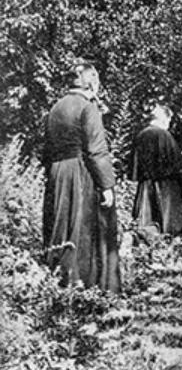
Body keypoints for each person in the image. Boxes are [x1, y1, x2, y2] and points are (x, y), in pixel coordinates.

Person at [42, 62, 121, 292]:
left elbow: (46, 150)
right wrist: (107, 184)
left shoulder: (55, 108)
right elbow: (96, 150)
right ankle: (85, 288)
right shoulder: (88, 108)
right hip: (80, 172)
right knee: (84, 227)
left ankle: (58, 283)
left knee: (61, 225)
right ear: (92, 84)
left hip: (57, 173)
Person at [131, 104, 182, 238]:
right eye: (169, 120)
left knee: (146, 219)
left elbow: (134, 166)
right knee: (167, 223)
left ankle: (145, 244)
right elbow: (177, 165)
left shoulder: (140, 135)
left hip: (146, 185)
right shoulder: (165, 135)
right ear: (164, 119)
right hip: (166, 187)